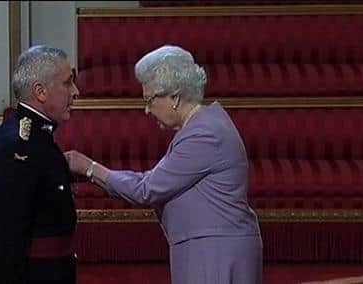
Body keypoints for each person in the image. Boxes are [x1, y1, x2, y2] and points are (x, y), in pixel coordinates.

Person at [65, 45, 262, 284]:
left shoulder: (204, 135)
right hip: (208, 246)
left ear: (175, 97)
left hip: (215, 250)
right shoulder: (203, 126)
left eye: (149, 100)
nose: (147, 110)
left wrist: (90, 168)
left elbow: (147, 189)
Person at [0, 45, 80, 284]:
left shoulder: (37, 135)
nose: (75, 91)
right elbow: (4, 240)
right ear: (40, 92)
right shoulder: (18, 148)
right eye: (67, 83)